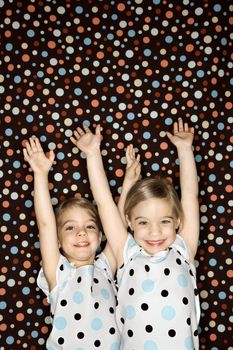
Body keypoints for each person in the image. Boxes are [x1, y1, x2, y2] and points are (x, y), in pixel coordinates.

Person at [71, 118, 200, 350]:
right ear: (129, 221)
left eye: (165, 221)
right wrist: (92, 154)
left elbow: (189, 195)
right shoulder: (126, 252)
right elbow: (104, 202)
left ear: (178, 221)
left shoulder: (183, 248)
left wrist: (185, 150)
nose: (155, 232)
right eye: (143, 222)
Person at [23, 137, 120, 350]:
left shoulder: (105, 267)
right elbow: (46, 224)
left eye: (90, 226)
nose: (81, 233)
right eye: (70, 227)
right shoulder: (58, 271)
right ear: (58, 240)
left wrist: (129, 181)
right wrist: (40, 175)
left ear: (101, 235)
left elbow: (116, 220)